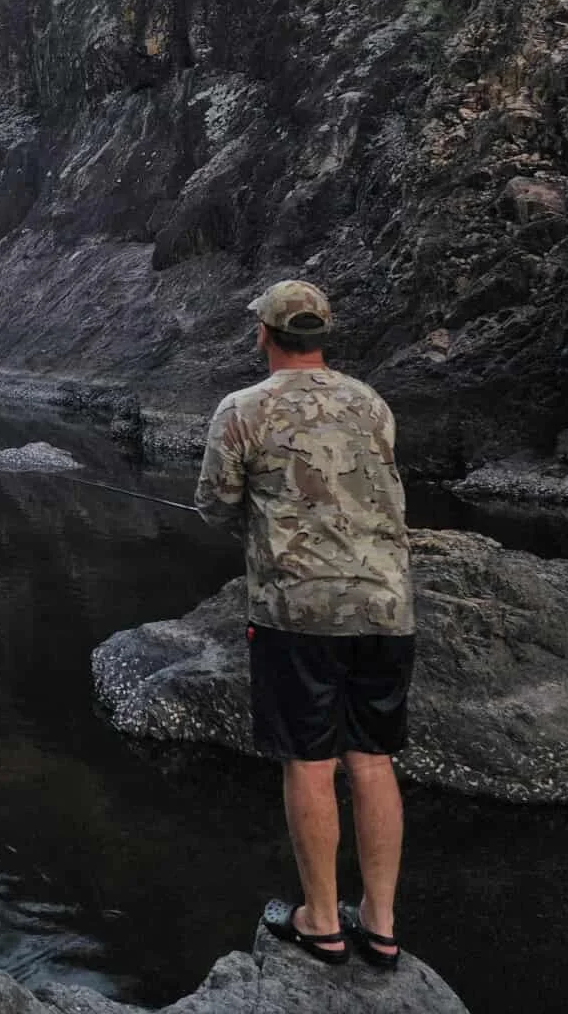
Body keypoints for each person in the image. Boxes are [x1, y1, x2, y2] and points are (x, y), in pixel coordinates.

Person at [193, 280, 414, 972]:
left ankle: (321, 922)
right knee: (373, 761)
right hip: (386, 607)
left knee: (311, 765)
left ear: (264, 334)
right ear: (321, 336)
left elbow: (215, 503)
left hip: (297, 618)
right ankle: (380, 926)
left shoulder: (242, 410)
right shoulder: (372, 402)